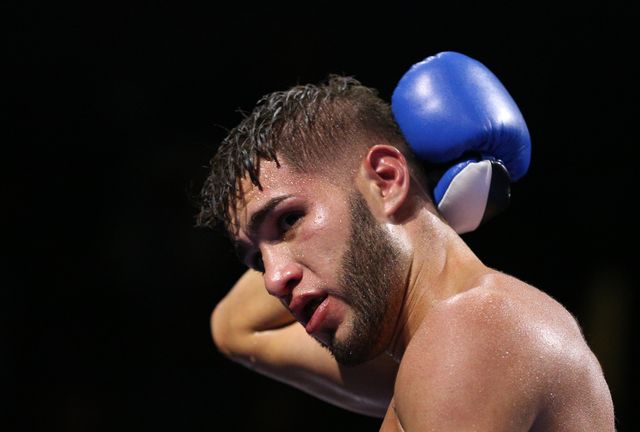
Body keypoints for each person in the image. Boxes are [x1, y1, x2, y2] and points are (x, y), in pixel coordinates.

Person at [196, 52, 615, 431]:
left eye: (289, 219)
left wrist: (407, 204)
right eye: (256, 259)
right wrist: (419, 206)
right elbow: (235, 329)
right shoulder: (427, 353)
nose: (272, 280)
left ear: (386, 179)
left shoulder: (471, 329)